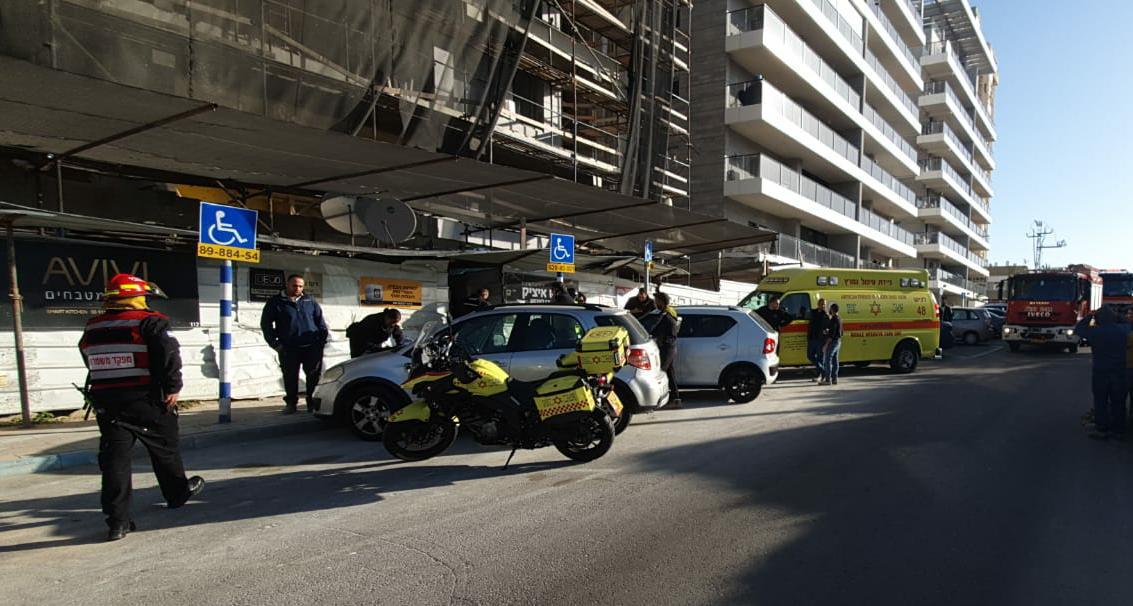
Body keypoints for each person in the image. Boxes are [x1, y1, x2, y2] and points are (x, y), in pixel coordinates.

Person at [79, 273, 204, 541]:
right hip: (146, 399)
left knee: (115, 462)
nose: (144, 300)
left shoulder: (92, 326)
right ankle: (177, 493)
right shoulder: (150, 322)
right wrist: (172, 388)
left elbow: (88, 357)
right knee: (165, 447)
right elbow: (169, 356)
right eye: (142, 296)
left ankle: (117, 522)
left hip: (107, 403)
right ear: (134, 297)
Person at [260, 274, 329, 414]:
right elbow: (266, 324)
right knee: (290, 376)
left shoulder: (310, 301)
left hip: (312, 347)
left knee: (314, 376)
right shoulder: (275, 302)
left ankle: (312, 403)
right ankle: (291, 404)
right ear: (287, 284)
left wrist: (321, 341)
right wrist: (275, 344)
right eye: (295, 285)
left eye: (301, 286)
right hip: (289, 348)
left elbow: (320, 322)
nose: (298, 288)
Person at [1075, 306, 1131, 440]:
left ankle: (1102, 428)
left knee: (1101, 401)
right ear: (1114, 318)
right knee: (1118, 401)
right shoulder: (1123, 330)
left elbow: (1078, 329)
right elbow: (1130, 324)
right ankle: (1119, 429)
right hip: (1119, 371)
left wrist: (1090, 316)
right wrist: (1119, 317)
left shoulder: (1095, 332)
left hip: (1101, 372)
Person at [650, 292, 682, 409]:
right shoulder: (668, 312)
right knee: (670, 373)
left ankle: (655, 401)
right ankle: (676, 399)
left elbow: (657, 330)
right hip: (669, 348)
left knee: (660, 374)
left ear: (662, 302)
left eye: (656, 301)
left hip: (667, 348)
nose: (655, 303)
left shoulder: (666, 316)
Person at [819, 303, 844, 385]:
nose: (829, 310)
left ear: (832, 310)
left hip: (833, 342)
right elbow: (840, 332)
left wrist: (825, 345)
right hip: (838, 341)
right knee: (835, 360)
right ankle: (834, 379)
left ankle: (827, 379)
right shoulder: (840, 319)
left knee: (827, 359)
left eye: (830, 309)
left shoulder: (833, 319)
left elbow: (831, 335)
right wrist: (827, 331)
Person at [807, 298, 830, 382]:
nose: (823, 305)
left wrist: (827, 331)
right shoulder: (813, 312)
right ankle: (823, 371)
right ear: (818, 304)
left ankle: (820, 375)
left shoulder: (826, 315)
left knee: (820, 358)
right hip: (812, 338)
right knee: (810, 356)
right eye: (821, 304)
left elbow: (829, 328)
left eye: (824, 304)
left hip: (820, 340)